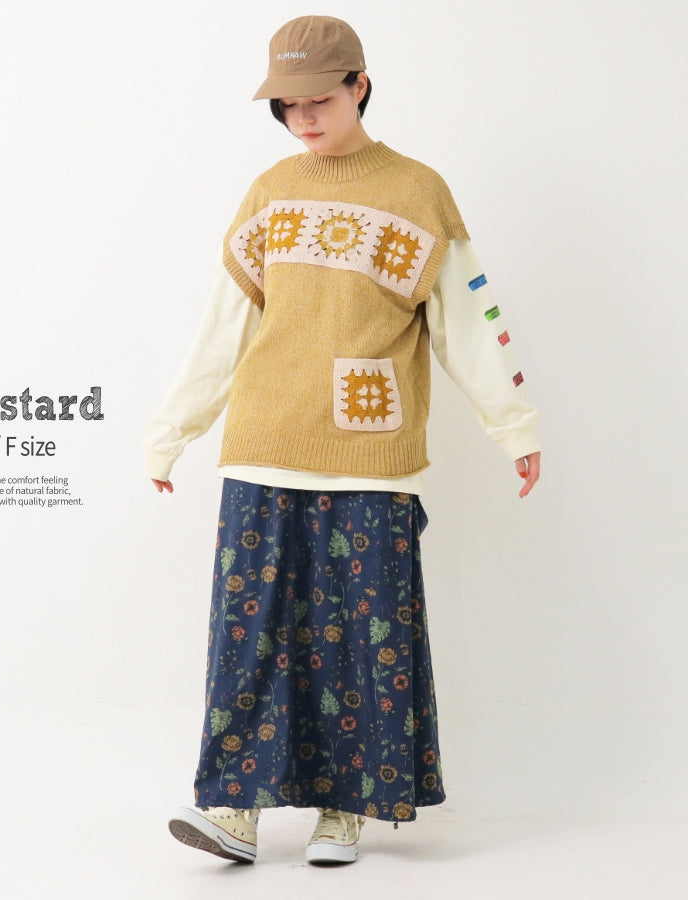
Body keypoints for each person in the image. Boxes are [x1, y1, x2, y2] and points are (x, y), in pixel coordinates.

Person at [144, 15, 541, 866]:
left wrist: (513, 425)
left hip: (372, 456)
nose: (303, 119)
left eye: (318, 100)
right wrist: (171, 430)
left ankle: (344, 809)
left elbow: (469, 324)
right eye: (287, 106)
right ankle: (235, 808)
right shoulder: (270, 192)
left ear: (360, 84)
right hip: (263, 444)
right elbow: (222, 327)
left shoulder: (418, 191)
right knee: (252, 637)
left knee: (365, 639)